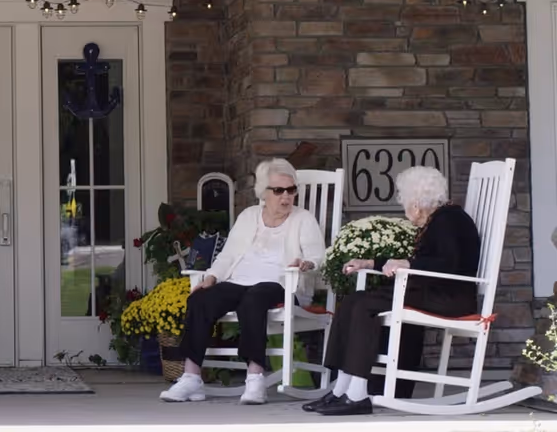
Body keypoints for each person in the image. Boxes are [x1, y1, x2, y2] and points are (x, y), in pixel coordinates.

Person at [304, 165, 481, 416]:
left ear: (417, 204)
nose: (405, 209)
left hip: (450, 298)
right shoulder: (442, 219)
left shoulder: (449, 220)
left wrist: (408, 263)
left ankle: (357, 394)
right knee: (355, 300)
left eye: (405, 202)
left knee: (365, 305)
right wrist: (370, 263)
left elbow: (447, 264)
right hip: (433, 291)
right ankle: (340, 388)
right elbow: (425, 261)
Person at [161, 158, 326, 406]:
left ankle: (255, 377)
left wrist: (306, 264)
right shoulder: (249, 216)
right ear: (263, 192)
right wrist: (211, 277)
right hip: (239, 282)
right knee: (200, 298)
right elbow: (227, 255)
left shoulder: (303, 219)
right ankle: (192, 377)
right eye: (279, 190)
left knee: (255, 297)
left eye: (291, 190)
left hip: (281, 285)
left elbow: (318, 257)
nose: (286, 196)